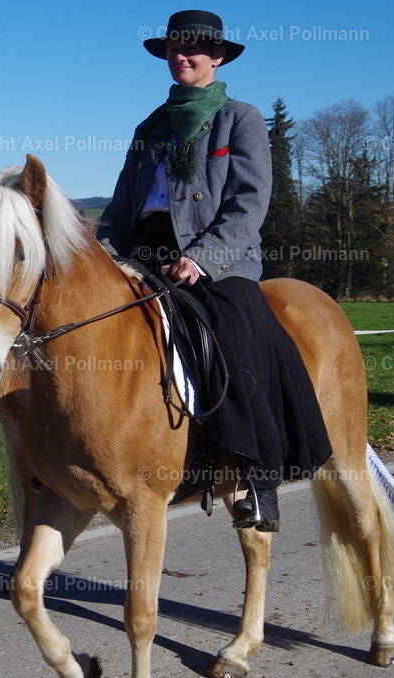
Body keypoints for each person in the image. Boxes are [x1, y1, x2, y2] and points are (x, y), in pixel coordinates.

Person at [96, 10, 333, 532]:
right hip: (142, 253)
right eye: (173, 48)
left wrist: (203, 257)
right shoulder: (149, 127)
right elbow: (119, 207)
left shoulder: (240, 118)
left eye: (193, 48)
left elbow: (249, 200)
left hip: (217, 257)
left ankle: (257, 476)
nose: (181, 55)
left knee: (236, 333)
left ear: (217, 57)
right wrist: (100, 257)